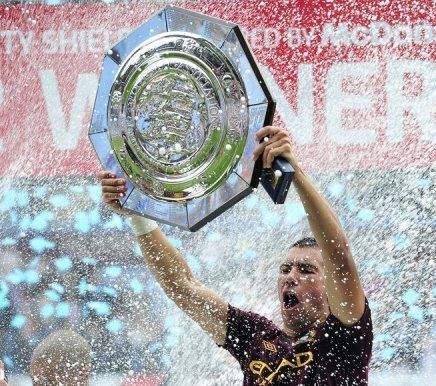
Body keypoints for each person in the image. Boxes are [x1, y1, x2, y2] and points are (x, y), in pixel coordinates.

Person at [98, 126, 373, 385]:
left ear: (331, 288)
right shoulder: (257, 337)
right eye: (286, 268)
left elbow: (338, 254)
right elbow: (183, 287)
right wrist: (138, 215)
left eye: (306, 270)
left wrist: (295, 172)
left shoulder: (344, 339)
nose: (291, 276)